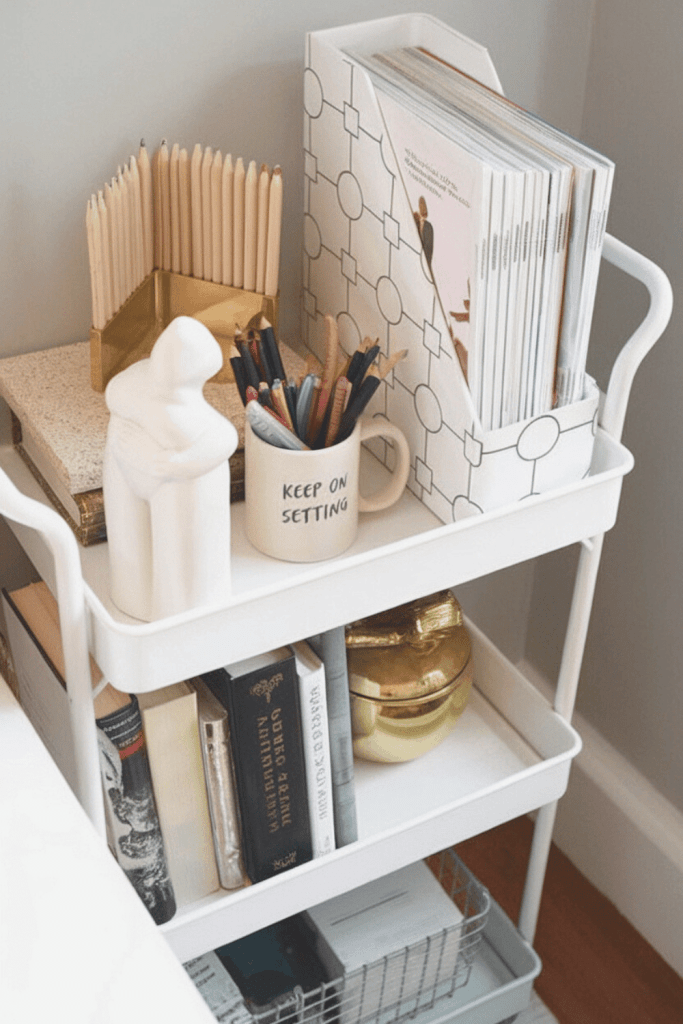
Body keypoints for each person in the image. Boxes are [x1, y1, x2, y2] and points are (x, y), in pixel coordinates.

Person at [103, 316, 238, 620]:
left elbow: (224, 440)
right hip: (154, 468)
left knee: (173, 583)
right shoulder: (188, 415)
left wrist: (172, 462)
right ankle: (169, 609)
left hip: (145, 461)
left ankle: (166, 608)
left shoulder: (135, 380)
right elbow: (226, 438)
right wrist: (173, 460)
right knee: (177, 584)